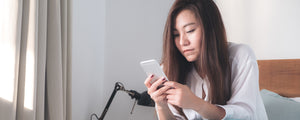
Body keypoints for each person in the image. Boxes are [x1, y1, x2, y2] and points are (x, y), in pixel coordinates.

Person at [144, 0, 268, 119]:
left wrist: (195, 103)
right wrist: (161, 105)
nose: (182, 42)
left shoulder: (240, 55)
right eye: (176, 35)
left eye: (190, 30)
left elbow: (244, 115)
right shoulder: (171, 68)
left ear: (210, 28)